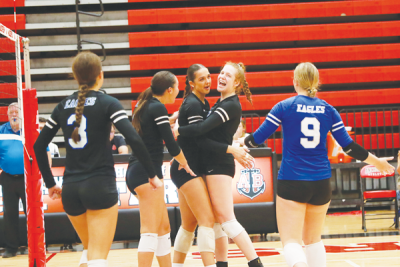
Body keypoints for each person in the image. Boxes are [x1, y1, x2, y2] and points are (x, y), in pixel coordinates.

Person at [239, 62, 394, 267]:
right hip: (321, 182)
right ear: (316, 82)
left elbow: (256, 139)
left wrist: (238, 144)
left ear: (294, 82)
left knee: (291, 241)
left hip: (292, 180)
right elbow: (349, 146)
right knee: (313, 240)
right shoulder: (329, 110)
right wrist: (377, 162)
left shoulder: (284, 106)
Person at [34, 51, 161, 267]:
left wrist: (50, 184)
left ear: (75, 76)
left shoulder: (61, 106)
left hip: (71, 189)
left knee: (91, 250)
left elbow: (38, 146)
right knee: (98, 257)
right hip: (99, 186)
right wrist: (152, 174)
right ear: (100, 75)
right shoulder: (108, 103)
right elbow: (134, 139)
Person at [175, 62, 264, 267]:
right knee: (217, 221)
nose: (222, 76)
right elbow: (207, 135)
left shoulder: (230, 104)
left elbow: (202, 131)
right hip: (213, 163)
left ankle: (255, 262)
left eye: (229, 75)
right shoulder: (219, 102)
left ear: (237, 83)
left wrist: (179, 130)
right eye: (222, 72)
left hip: (219, 165)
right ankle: (222, 263)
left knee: (226, 220)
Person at [127, 70, 195, 267]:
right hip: (145, 174)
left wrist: (170, 119)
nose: (177, 93)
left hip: (140, 171)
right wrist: (185, 163)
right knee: (149, 230)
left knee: (163, 227)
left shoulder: (147, 104)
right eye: (177, 90)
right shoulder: (157, 108)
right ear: (169, 89)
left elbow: (152, 129)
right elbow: (172, 146)